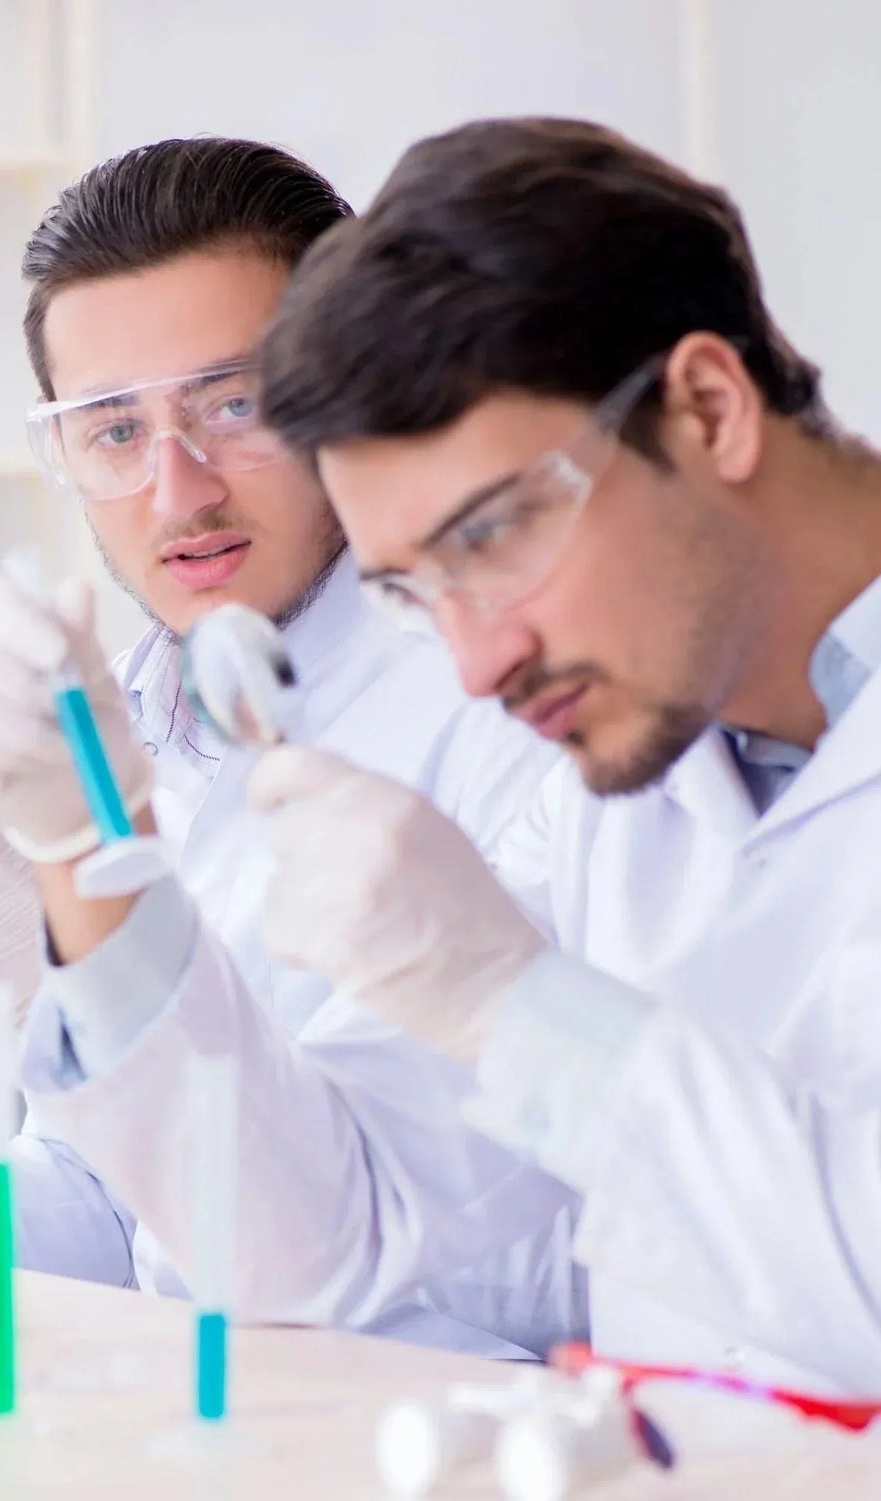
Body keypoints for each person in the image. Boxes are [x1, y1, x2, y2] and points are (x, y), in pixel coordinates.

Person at [0, 137, 578, 1357]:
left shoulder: (511, 704)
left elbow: (356, 1251)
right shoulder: (144, 705)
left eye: (237, 405)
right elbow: (118, 1211)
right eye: (111, 430)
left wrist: (98, 865)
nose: (177, 492)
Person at [253, 116, 881, 1391]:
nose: (477, 664)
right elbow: (332, 1222)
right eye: (412, 590)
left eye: (490, 537)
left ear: (707, 408)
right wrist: (87, 903)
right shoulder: (614, 783)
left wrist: (518, 1007)